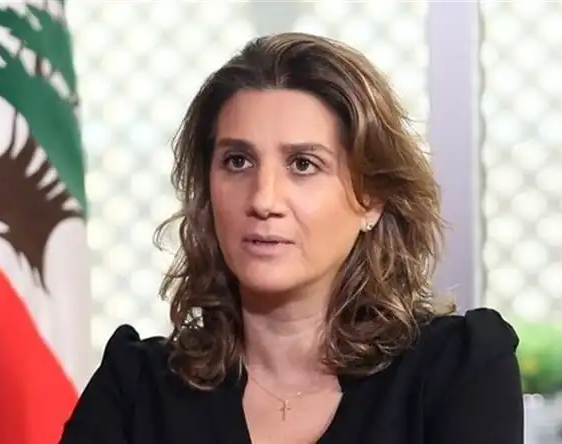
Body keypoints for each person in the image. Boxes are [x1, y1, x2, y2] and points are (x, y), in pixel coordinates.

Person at [60, 32, 523, 443]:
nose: (263, 199)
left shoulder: (457, 371)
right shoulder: (135, 388)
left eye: (303, 164)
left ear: (371, 198)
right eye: (238, 161)